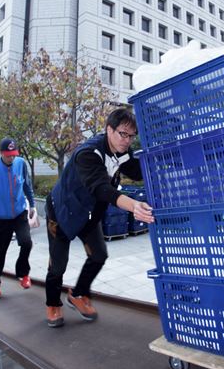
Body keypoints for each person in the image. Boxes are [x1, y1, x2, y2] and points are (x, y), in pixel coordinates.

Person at [45, 107, 154, 328]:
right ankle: (53, 303)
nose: (127, 140)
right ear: (109, 130)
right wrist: (133, 205)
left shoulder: (122, 151)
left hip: (89, 214)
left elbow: (137, 170)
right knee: (58, 265)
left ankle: (78, 294)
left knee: (99, 255)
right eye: (123, 134)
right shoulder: (88, 154)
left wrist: (165, 163)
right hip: (62, 212)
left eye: (132, 136)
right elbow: (101, 189)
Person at [0, 137, 36, 299]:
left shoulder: (20, 163)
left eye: (14, 154)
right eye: (9, 155)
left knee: (26, 242)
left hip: (19, 213)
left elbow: (26, 186)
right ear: (1, 153)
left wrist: (32, 205)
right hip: (1, 217)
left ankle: (23, 274)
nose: (12, 158)